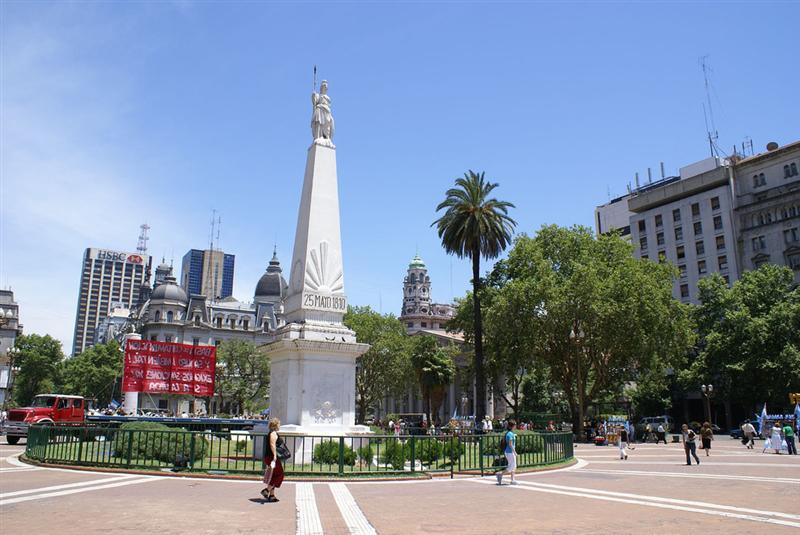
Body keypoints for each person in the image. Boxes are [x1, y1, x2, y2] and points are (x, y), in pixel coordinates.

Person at [260, 418, 285, 502]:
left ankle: (272, 495)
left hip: (269, 457)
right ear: (276, 425)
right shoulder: (273, 433)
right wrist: (275, 456)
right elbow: (272, 444)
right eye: (279, 424)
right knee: (280, 474)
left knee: (274, 476)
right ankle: (266, 490)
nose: (279, 426)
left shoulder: (271, 433)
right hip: (271, 457)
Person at [496, 420, 518, 486]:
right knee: (512, 466)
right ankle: (500, 474)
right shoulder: (510, 434)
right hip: (510, 452)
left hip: (509, 452)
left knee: (513, 466)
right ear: (512, 426)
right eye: (515, 425)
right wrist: (515, 452)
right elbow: (510, 444)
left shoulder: (510, 433)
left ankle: (512, 479)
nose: (516, 426)